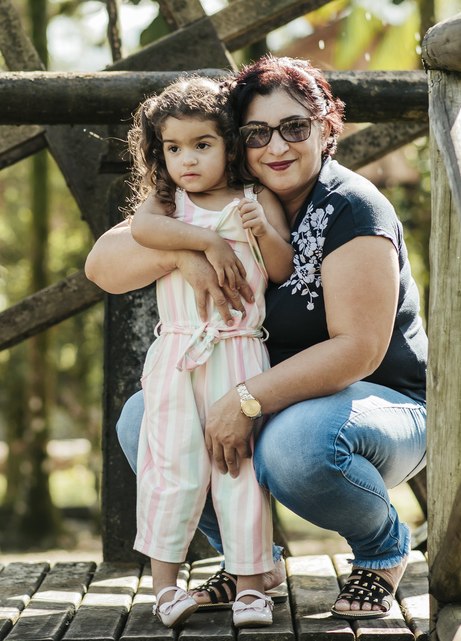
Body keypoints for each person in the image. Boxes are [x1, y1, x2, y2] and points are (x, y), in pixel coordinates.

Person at [86, 57, 427, 620]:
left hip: (377, 406)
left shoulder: (352, 206)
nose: (277, 146)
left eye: (295, 127)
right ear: (234, 141)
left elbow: (358, 350)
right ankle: (252, 565)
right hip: (270, 391)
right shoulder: (217, 196)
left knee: (294, 447)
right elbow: (103, 264)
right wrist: (186, 251)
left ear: (326, 128)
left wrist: (245, 400)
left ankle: (382, 548)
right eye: (257, 133)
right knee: (142, 420)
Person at [122, 77, 294, 629]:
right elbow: (142, 229)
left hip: (239, 352)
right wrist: (205, 242)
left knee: (238, 470)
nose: (187, 160)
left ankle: (252, 588)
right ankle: (166, 588)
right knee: (172, 467)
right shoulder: (167, 203)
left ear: (229, 143)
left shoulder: (255, 200)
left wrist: (263, 234)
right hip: (177, 353)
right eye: (173, 148)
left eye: (202, 145)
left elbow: (282, 269)